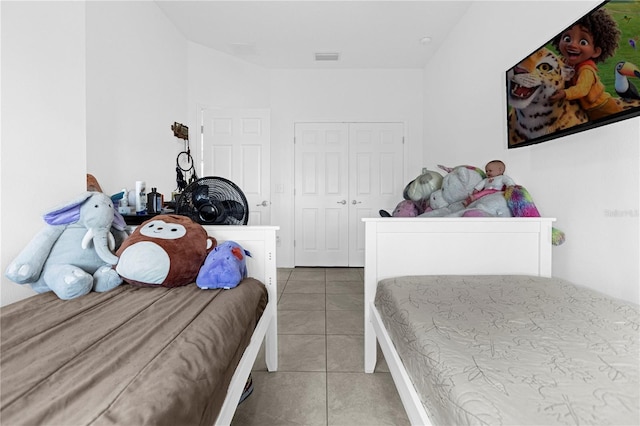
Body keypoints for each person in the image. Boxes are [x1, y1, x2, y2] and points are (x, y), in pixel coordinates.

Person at [549, 8, 622, 121]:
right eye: (567, 38)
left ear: (595, 51)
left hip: (602, 108)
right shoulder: (564, 61)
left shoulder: (586, 70)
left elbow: (582, 89)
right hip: (586, 109)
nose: (572, 45)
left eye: (583, 42)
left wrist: (564, 93)